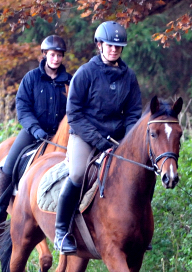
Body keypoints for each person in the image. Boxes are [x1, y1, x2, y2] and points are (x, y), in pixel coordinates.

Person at [54, 21, 142, 254]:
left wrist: (128, 139)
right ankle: (61, 232)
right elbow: (74, 114)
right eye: (109, 45)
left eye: (118, 46)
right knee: (78, 173)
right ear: (99, 45)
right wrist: (99, 141)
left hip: (117, 138)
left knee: (134, 173)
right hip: (85, 134)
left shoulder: (129, 76)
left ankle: (135, 231)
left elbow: (134, 112)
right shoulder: (85, 73)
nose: (114, 49)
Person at [0, 35, 72, 223]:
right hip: (34, 132)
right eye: (52, 55)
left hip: (61, 135)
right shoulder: (31, 78)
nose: (56, 59)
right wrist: (35, 129)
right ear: (45, 55)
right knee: (10, 163)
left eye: (59, 56)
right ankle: (0, 206)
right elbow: (22, 108)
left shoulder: (69, 81)